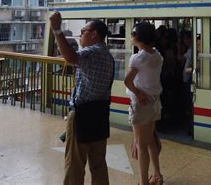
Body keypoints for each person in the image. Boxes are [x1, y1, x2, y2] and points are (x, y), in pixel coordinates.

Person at [50, 12, 114, 185]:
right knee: (99, 164)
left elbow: (70, 57)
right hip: (100, 115)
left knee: (75, 164)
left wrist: (56, 30)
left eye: (83, 31)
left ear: (94, 34)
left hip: (83, 115)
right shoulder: (107, 55)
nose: (80, 35)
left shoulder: (91, 52)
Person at [125, 22, 164, 185]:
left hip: (142, 104)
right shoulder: (157, 55)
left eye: (133, 33)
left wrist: (138, 93)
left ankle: (143, 182)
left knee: (141, 144)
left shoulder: (138, 57)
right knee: (151, 141)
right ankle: (157, 175)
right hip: (155, 101)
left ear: (139, 36)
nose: (131, 36)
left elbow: (128, 81)